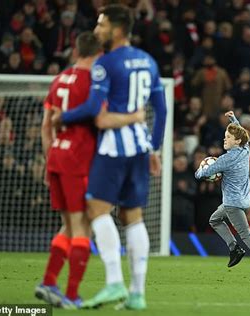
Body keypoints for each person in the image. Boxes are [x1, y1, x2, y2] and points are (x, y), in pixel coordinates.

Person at [51, 4, 167, 310]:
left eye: (101, 25)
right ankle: (137, 293)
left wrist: (64, 116)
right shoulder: (148, 61)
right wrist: (154, 148)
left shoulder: (106, 64)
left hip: (113, 147)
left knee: (98, 209)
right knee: (133, 216)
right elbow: (162, 109)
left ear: (116, 30)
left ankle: (114, 282)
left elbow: (93, 110)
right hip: (140, 146)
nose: (97, 30)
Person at [36, 31, 146, 309]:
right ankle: (71, 294)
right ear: (99, 54)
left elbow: (46, 125)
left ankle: (49, 282)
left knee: (69, 225)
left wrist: (51, 157)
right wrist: (134, 118)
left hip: (58, 157)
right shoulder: (93, 81)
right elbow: (102, 119)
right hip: (79, 159)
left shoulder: (60, 78)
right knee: (83, 226)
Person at [194, 111, 250, 284]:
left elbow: (203, 173)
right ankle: (234, 248)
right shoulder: (245, 150)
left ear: (237, 141)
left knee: (246, 234)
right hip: (241, 199)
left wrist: (199, 169)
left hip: (232, 203)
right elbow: (242, 132)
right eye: (225, 136)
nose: (224, 139)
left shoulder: (226, 159)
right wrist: (233, 119)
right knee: (215, 220)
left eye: (228, 137)